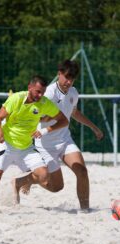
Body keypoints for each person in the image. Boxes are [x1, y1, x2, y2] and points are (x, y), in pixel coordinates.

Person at [13, 60, 104, 210]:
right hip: (45, 144)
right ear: (59, 74)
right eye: (66, 77)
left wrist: (94, 127)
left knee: (81, 171)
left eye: (72, 79)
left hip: (64, 140)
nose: (69, 81)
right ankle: (22, 181)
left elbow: (73, 113)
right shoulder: (48, 93)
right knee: (57, 187)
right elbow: (35, 115)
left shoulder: (73, 93)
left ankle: (85, 210)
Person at [0, 75, 69, 214]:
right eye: (37, 91)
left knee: (43, 175)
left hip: (26, 147)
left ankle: (20, 182)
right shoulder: (16, 98)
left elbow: (64, 121)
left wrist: (45, 130)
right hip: (6, 144)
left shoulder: (45, 103)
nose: (40, 95)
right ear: (29, 88)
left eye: (43, 91)